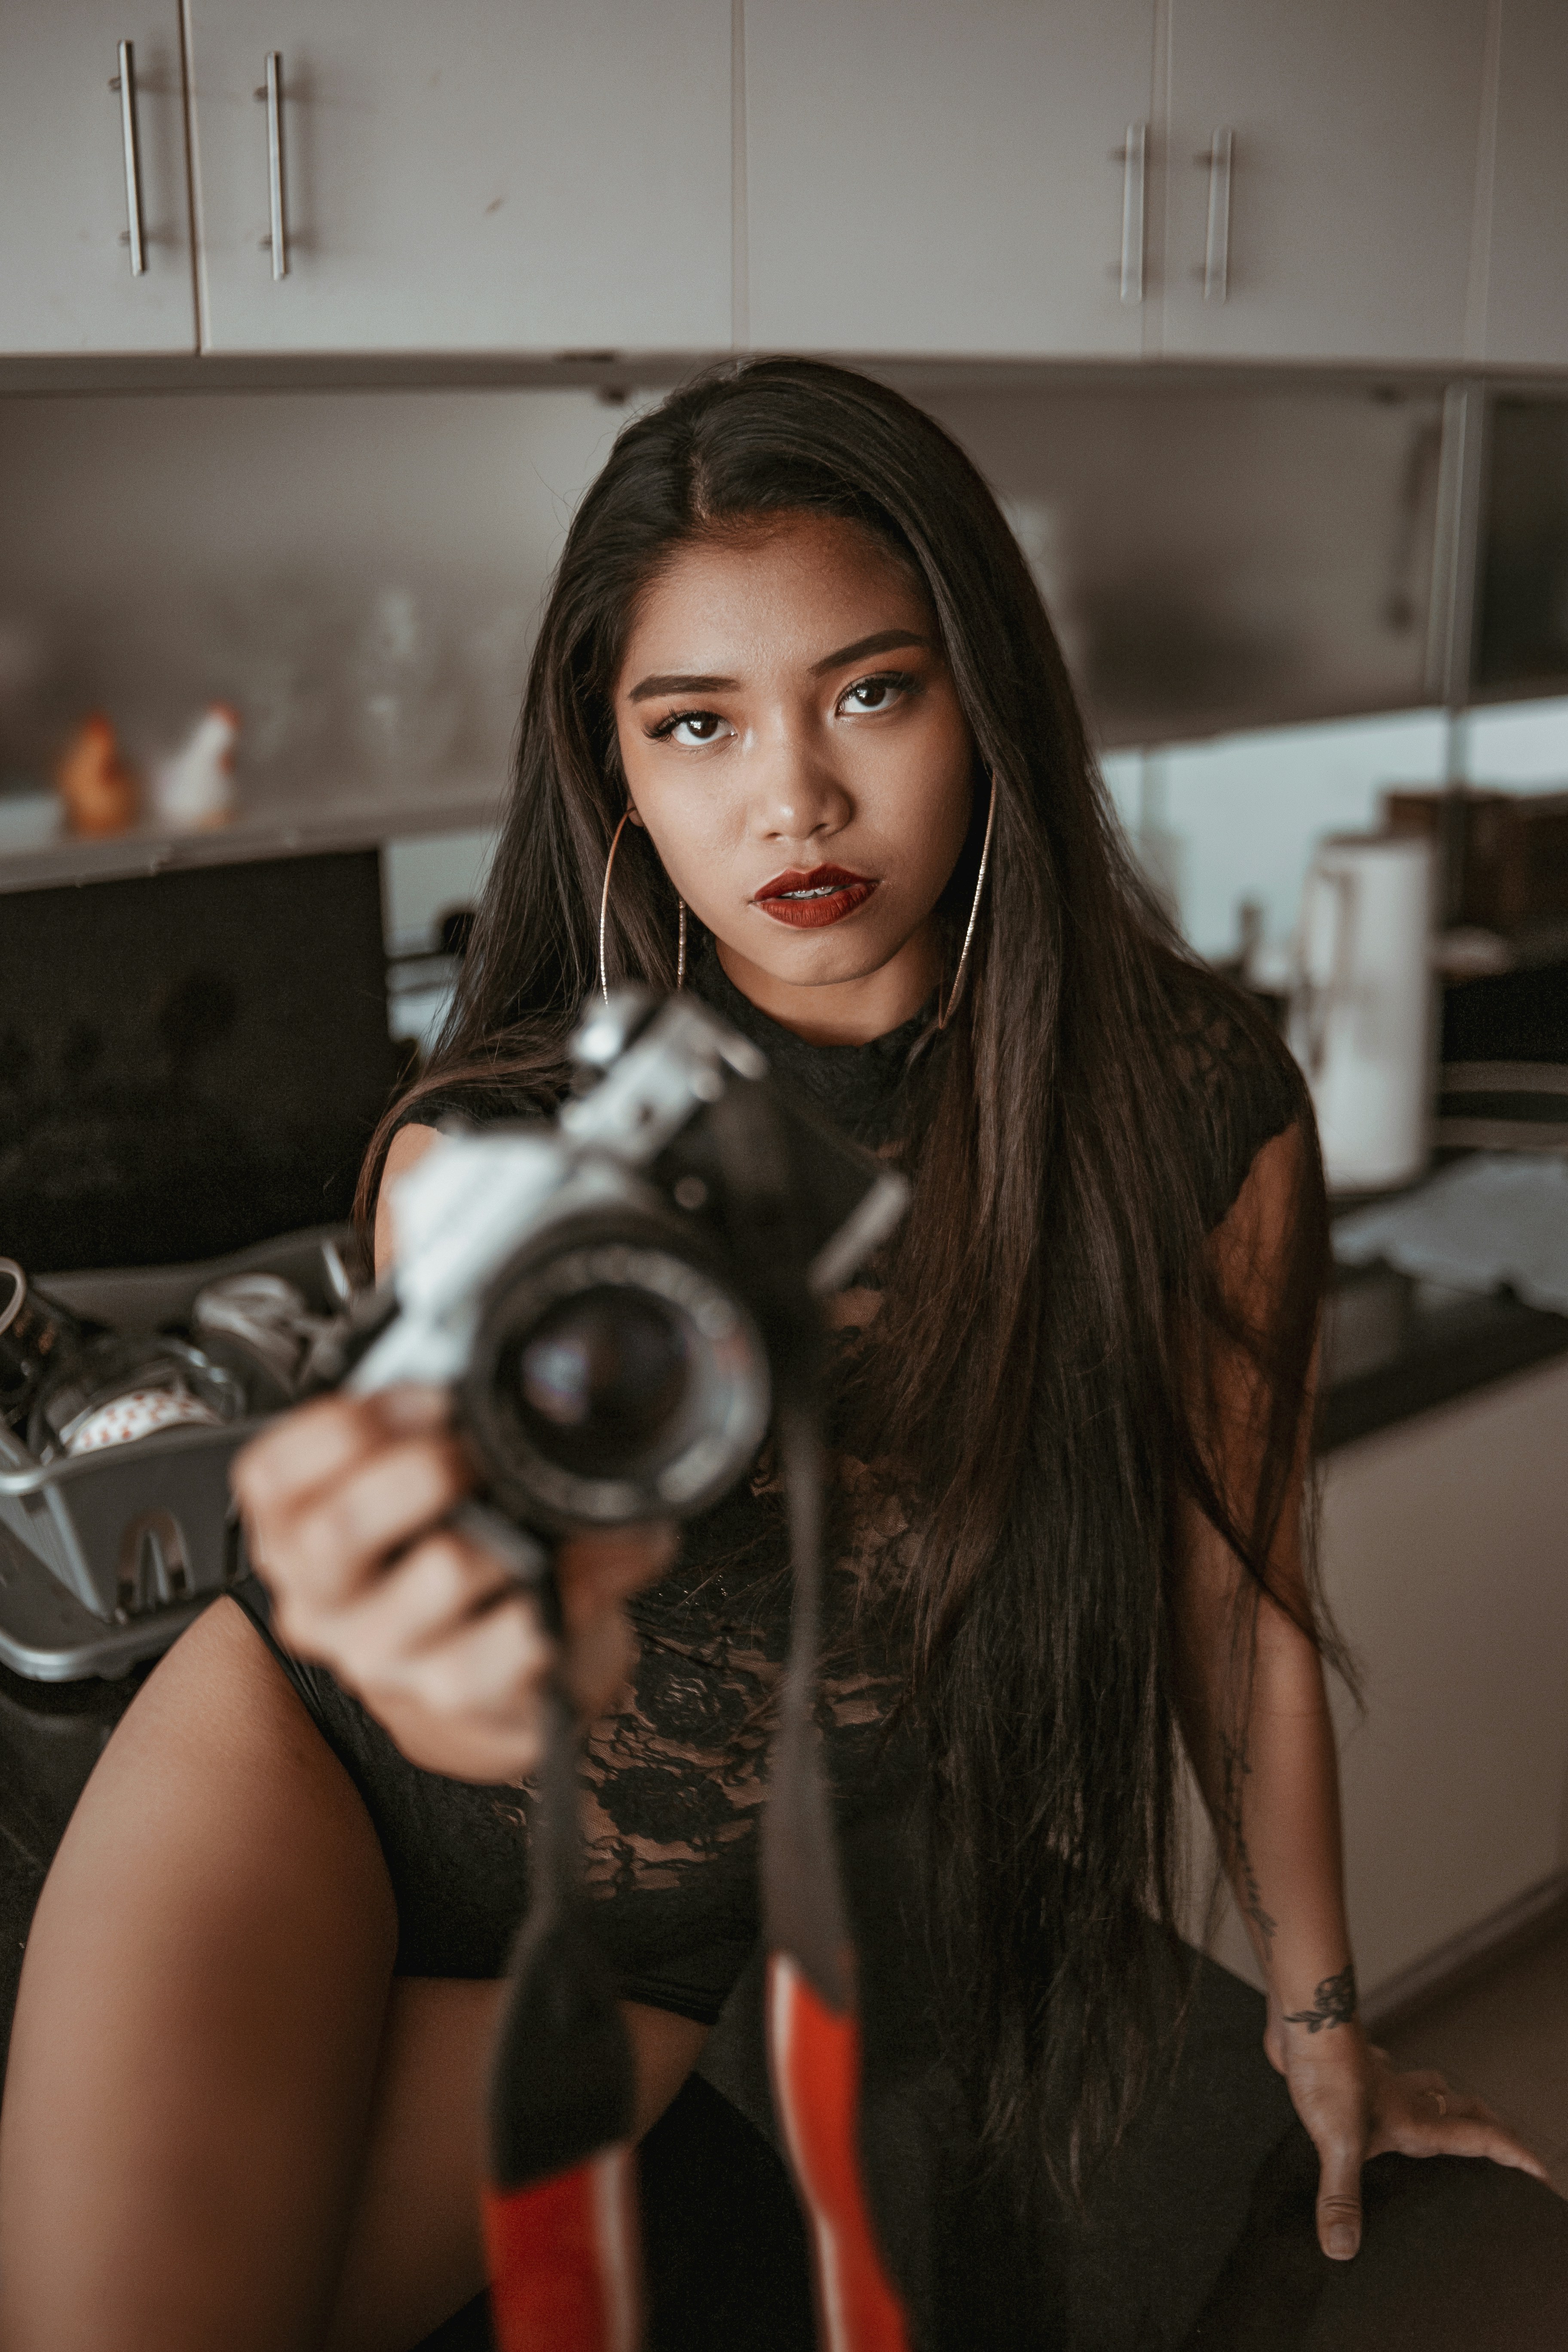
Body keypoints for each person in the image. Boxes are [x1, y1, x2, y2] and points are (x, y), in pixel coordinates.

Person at [0, 359, 1555, 2352]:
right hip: (291, 1782)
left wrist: (1328, 2027)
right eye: (698, 724)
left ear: (985, 696)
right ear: (617, 770)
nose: (793, 798)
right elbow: (462, 1504)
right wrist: (430, 1574)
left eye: (871, 692)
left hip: (644, 1948)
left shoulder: (1192, 1104)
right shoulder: (504, 1144)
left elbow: (1232, 1591)